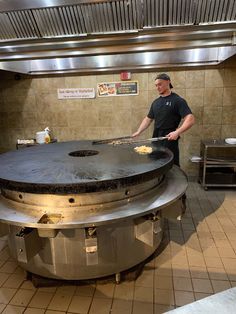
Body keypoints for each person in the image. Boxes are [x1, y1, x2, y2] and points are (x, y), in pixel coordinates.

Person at [132, 73, 195, 166]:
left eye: (160, 84)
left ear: (168, 82)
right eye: (156, 85)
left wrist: (177, 132)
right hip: (156, 138)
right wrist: (138, 131)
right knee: (155, 164)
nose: (157, 87)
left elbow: (190, 119)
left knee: (170, 166)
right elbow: (148, 119)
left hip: (169, 139)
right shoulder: (156, 102)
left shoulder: (177, 100)